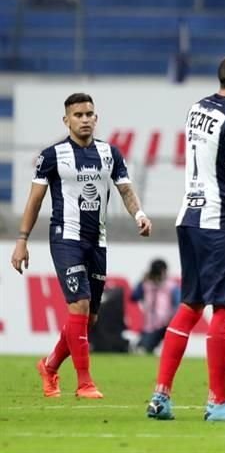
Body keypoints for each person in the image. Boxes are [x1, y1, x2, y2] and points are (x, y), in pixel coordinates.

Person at [146, 53, 225, 423]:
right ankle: (218, 403)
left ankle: (160, 396)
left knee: (191, 304)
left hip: (189, 218)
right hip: (219, 223)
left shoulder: (196, 109)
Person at [10, 92, 152, 399]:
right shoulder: (52, 156)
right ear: (66, 120)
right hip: (65, 238)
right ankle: (85, 382)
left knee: (89, 318)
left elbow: (126, 190)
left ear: (96, 118)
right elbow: (35, 200)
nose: (85, 119)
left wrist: (139, 214)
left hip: (97, 241)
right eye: (78, 115)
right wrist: (22, 240)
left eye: (89, 114)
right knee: (80, 305)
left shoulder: (110, 153)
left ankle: (48, 367)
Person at [131, 259, 180, 354]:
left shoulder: (171, 286)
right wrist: (142, 280)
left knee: (145, 349)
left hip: (166, 324)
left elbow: (178, 304)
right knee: (140, 349)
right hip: (150, 325)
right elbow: (134, 297)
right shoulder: (146, 284)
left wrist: (172, 319)